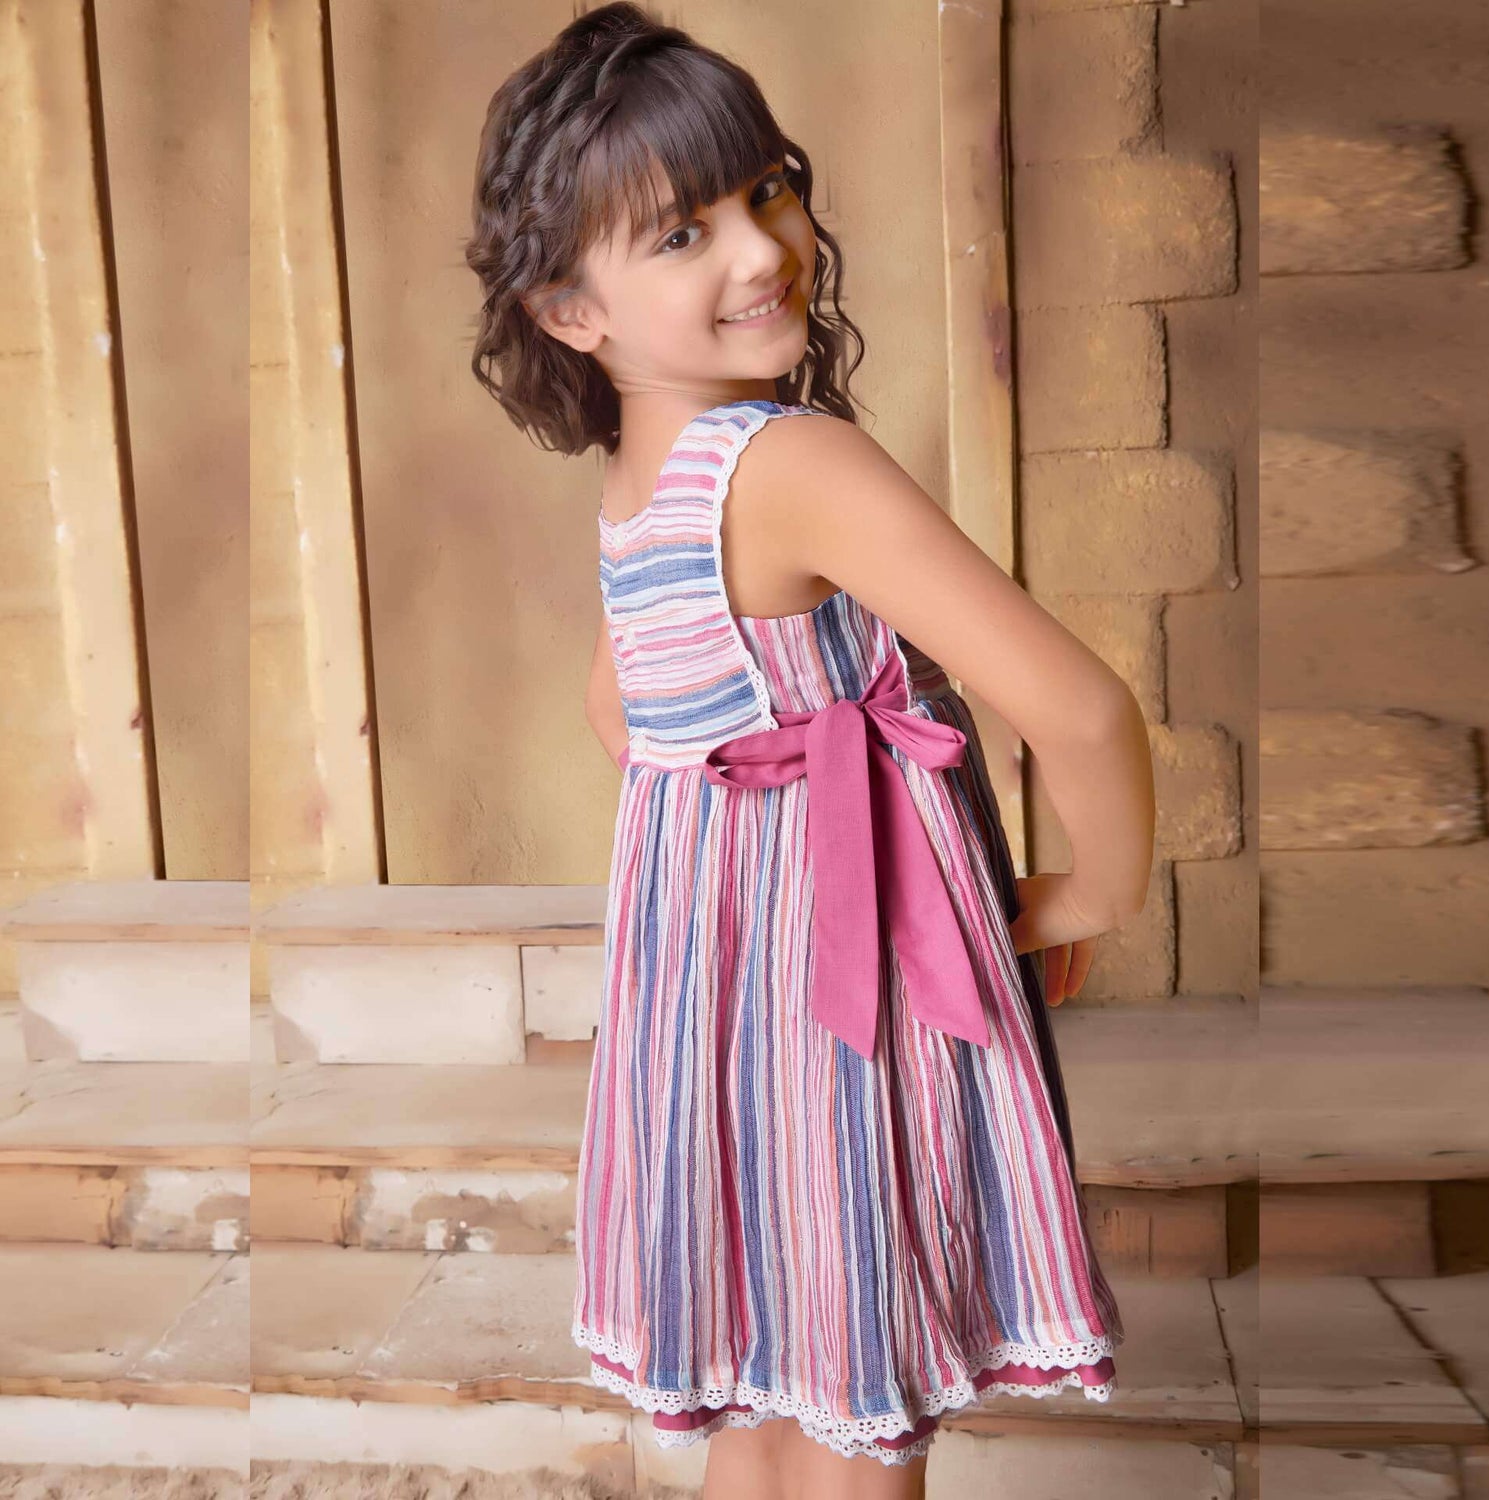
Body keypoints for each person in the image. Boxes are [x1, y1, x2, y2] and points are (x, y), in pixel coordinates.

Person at [465, 5, 1153, 1495]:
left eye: (766, 188)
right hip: (851, 987)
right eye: (680, 235)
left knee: (771, 1402)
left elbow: (626, 718)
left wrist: (744, 858)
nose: (761, 251)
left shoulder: (640, 486)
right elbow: (1084, 707)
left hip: (712, 1000)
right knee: (854, 1382)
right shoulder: (791, 464)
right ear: (568, 311)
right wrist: (1092, 894)